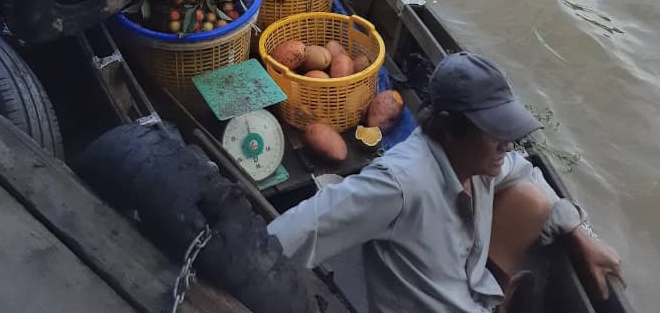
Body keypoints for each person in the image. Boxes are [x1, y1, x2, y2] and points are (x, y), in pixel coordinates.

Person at [267, 52, 624, 313]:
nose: (507, 144)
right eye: (495, 132)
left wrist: (581, 238)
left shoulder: (480, 161)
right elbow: (290, 235)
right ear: (451, 128)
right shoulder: (398, 185)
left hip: (470, 299)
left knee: (532, 199)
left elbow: (527, 172)